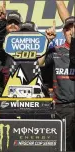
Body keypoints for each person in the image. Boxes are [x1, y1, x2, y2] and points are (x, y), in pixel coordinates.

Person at [38, 16, 75, 151]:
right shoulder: (56, 51)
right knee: (64, 146)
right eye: (68, 29)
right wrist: (46, 41)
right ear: (64, 32)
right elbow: (40, 63)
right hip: (62, 107)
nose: (71, 32)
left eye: (74, 29)